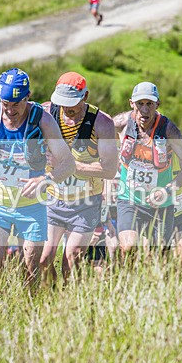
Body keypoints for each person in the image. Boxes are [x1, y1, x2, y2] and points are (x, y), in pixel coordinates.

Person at [0, 68, 74, 288]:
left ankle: (31, 310)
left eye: (16, 104)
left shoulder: (43, 121)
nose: (9, 110)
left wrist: (45, 180)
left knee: (31, 267)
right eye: (5, 103)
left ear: (28, 97)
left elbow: (68, 163)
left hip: (32, 206)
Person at [38, 72, 118, 281]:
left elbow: (110, 170)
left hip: (86, 204)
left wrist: (70, 166)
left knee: (71, 258)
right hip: (53, 200)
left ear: (86, 96)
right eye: (63, 103)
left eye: (72, 104)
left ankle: (70, 300)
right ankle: (52, 300)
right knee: (43, 259)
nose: (68, 109)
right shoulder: (46, 112)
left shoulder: (103, 124)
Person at [115, 82, 182, 252]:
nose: (144, 110)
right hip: (129, 199)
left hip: (161, 204)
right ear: (131, 103)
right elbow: (96, 141)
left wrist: (168, 190)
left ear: (157, 105)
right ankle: (128, 278)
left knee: (159, 256)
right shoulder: (121, 123)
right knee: (128, 247)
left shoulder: (168, 129)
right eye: (140, 104)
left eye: (149, 104)